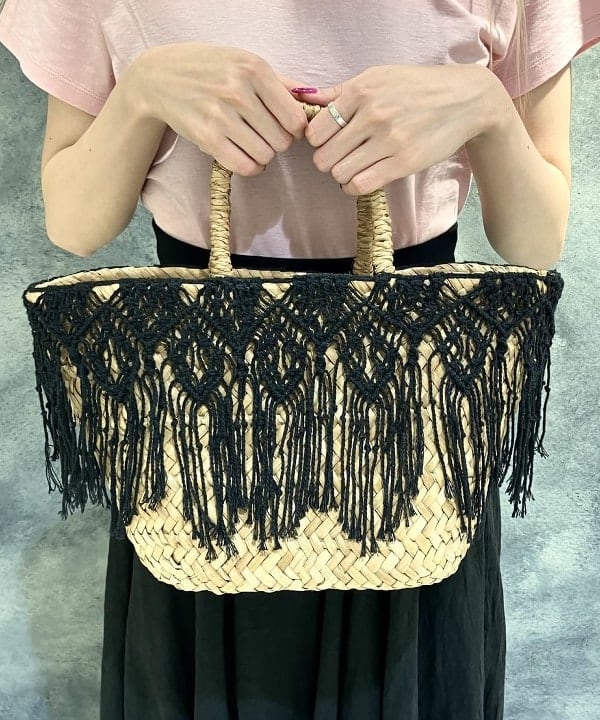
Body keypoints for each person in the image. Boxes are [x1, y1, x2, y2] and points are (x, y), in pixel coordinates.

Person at [1, 2, 599, 719]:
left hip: (408, 437)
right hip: (205, 434)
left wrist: (489, 109)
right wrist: (142, 92)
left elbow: (535, 240)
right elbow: (74, 223)